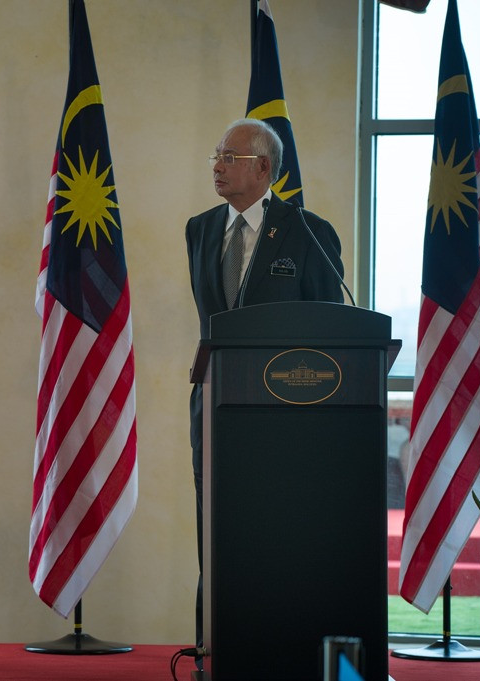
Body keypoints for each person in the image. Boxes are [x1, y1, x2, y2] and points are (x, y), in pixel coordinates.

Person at [185, 118, 345, 662]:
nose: (217, 165)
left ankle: (284, 644)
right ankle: (216, 643)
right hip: (214, 406)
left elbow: (333, 328)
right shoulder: (200, 229)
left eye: (228, 156)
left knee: (280, 534)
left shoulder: (308, 233)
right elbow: (214, 322)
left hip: (288, 418)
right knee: (217, 530)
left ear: (263, 168)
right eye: (216, 155)